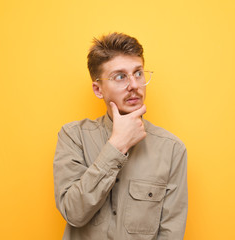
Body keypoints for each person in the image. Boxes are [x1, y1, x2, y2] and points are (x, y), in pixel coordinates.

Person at [53, 32, 188, 240]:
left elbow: (171, 233)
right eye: (120, 76)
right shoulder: (73, 137)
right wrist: (116, 146)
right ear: (98, 89)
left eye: (138, 73)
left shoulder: (172, 150)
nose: (134, 85)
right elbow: (73, 213)